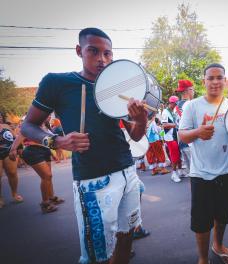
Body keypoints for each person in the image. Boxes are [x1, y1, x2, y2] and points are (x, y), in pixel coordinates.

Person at [21, 27, 147, 264]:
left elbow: (137, 136)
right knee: (96, 253)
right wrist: (57, 141)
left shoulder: (116, 89)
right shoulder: (57, 82)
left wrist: (140, 120)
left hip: (127, 171)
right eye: (94, 51)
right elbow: (28, 126)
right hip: (93, 179)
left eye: (108, 54)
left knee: (126, 236)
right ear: (79, 51)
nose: (102, 59)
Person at [179, 63, 228, 264]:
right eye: (210, 78)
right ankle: (203, 258)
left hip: (227, 172)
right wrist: (197, 132)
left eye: (219, 77)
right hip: (201, 174)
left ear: (224, 80)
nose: (215, 82)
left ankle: (218, 245)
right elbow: (183, 136)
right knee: (201, 223)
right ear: (203, 81)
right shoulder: (192, 106)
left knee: (223, 217)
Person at [21, 115, 64, 213]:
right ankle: (45, 203)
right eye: (47, 114)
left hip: (44, 151)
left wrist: (53, 154)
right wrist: (13, 149)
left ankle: (51, 198)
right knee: (46, 176)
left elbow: (48, 142)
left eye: (49, 114)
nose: (49, 116)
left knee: (49, 177)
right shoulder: (31, 125)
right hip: (33, 151)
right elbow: (21, 135)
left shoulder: (46, 126)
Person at [0, 112, 24, 208]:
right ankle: (0, 198)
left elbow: (15, 136)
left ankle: (14, 194)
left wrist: (19, 147)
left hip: (9, 151)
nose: (0, 117)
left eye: (0, 116)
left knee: (12, 172)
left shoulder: (6, 125)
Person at [162, 95, 185, 182]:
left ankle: (179, 171)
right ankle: (174, 174)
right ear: (172, 103)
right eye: (176, 103)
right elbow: (164, 125)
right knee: (174, 156)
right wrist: (176, 125)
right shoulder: (165, 112)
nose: (177, 105)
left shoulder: (173, 111)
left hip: (175, 136)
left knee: (178, 154)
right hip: (170, 138)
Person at [175, 79, 195, 173]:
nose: (193, 92)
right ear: (188, 90)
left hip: (182, 141)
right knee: (196, 170)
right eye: (192, 89)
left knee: (191, 171)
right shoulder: (189, 104)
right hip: (191, 142)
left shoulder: (176, 106)